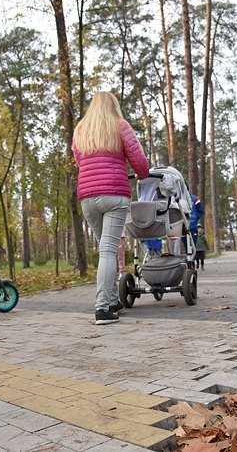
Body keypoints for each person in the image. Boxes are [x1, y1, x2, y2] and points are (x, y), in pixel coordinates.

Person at [73, 92, 149, 325]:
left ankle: (113, 300)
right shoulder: (120, 125)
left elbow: (78, 159)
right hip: (114, 194)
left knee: (107, 249)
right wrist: (142, 174)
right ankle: (102, 308)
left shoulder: (81, 130)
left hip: (87, 197)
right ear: (113, 106)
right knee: (109, 250)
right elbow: (138, 158)